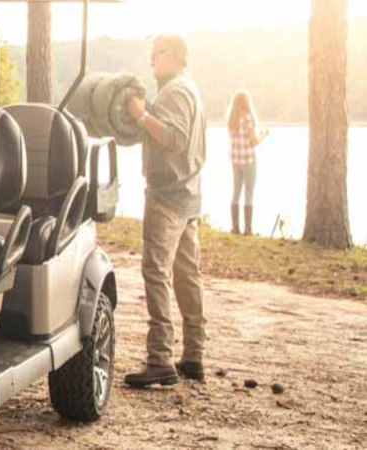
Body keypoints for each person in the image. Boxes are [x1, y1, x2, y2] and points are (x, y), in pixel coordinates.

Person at [122, 35, 208, 388]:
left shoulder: (174, 91)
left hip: (168, 199)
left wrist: (140, 114)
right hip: (189, 197)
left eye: (155, 55)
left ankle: (160, 359)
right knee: (188, 276)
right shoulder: (191, 88)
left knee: (156, 273)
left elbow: (173, 138)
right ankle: (193, 355)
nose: (151, 62)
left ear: (171, 55)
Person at [227, 90, 269, 235]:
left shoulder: (231, 120)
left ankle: (234, 227)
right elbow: (254, 141)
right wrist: (264, 135)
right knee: (249, 193)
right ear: (247, 103)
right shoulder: (248, 119)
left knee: (236, 191)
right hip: (248, 160)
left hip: (235, 160)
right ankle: (248, 229)